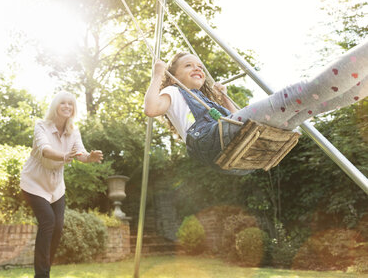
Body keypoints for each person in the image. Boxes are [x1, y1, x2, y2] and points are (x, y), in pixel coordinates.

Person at [144, 40, 368, 174]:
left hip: (228, 146)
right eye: (188, 65)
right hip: (211, 141)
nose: (197, 69)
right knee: (295, 97)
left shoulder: (205, 100)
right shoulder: (173, 91)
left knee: (310, 107)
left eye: (200, 66)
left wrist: (224, 98)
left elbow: (235, 119)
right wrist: (158, 76)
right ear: (173, 77)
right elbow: (151, 109)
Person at [20, 91, 103, 278]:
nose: (67, 106)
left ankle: (43, 272)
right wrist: (65, 156)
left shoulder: (74, 131)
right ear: (55, 106)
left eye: (70, 104)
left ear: (74, 109)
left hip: (56, 186)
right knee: (48, 221)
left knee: (57, 227)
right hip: (33, 182)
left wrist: (90, 157)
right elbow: (46, 150)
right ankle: (42, 275)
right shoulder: (41, 126)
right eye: (63, 103)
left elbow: (80, 153)